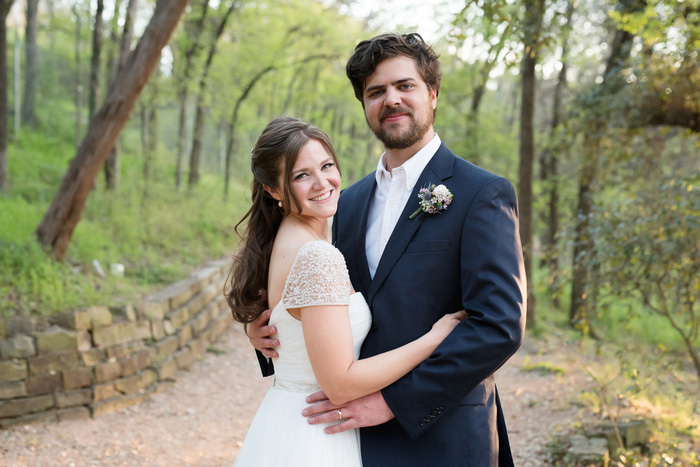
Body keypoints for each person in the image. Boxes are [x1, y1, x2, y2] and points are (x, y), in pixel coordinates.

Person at [248, 33, 527, 466]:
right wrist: (265, 332)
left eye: (405, 86)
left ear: (432, 94)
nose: (391, 100)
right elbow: (317, 303)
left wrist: (396, 402)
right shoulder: (345, 203)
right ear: (364, 105)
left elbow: (499, 326)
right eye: (376, 92)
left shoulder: (482, 193)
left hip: (444, 436)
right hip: (352, 440)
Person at [227, 115, 466, 466]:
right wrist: (434, 339)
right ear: (273, 189)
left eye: (326, 166)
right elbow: (340, 383)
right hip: (316, 433)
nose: (322, 182)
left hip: (291, 417)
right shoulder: (315, 254)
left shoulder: (291, 237)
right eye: (301, 175)